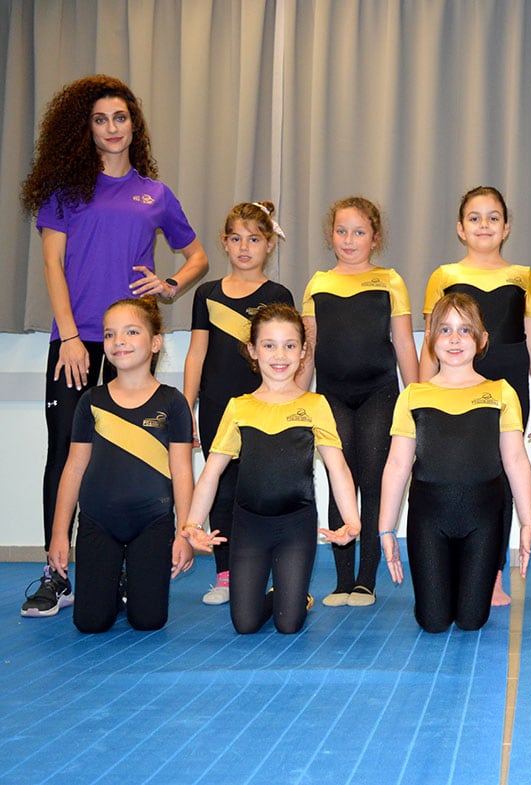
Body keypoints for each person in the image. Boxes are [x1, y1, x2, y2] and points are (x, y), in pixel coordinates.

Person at [19, 74, 209, 617]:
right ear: (86, 129)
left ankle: (124, 569)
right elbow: (52, 265)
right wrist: (70, 338)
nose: (111, 128)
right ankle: (56, 574)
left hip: (130, 343)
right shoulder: (65, 192)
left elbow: (197, 257)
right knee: (66, 453)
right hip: (77, 342)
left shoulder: (155, 194)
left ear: (133, 125)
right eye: (100, 120)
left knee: (130, 454)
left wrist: (169, 285)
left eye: (120, 118)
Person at [184, 303, 361, 634]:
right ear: (253, 350)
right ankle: (277, 595)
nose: (280, 355)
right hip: (249, 525)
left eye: (290, 345)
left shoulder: (314, 404)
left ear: (303, 351)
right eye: (269, 345)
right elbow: (211, 472)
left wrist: (351, 520)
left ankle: (295, 597)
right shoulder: (239, 407)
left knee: (288, 623)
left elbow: (337, 467)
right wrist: (193, 522)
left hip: (296, 525)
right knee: (245, 623)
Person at [373, 293, 531, 633]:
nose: (454, 339)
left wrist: (528, 521)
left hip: (483, 520)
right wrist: (385, 528)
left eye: (465, 330)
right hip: (429, 520)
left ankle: (466, 576)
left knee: (471, 620)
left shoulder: (501, 393)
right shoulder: (414, 396)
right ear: (431, 339)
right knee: (433, 622)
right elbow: (397, 465)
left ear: (482, 340)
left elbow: (516, 460)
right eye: (445, 330)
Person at [420, 186, 531, 606]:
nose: (484, 225)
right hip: (453, 386)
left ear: (506, 227)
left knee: (502, 477)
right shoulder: (443, 276)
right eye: (474, 218)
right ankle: (452, 565)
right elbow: (431, 341)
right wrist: (422, 395)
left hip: (509, 385)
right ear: (460, 228)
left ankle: (492, 572)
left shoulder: (523, 276)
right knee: (455, 472)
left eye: (493, 217)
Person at [46, 298, 197, 632]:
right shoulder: (91, 401)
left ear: (155, 342)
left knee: (149, 620)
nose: (119, 341)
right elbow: (73, 469)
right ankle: (112, 585)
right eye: (110, 334)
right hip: (98, 521)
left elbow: (182, 471)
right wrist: (59, 534)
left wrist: (185, 533)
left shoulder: (173, 403)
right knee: (90, 623)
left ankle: (132, 582)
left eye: (131, 332)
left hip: (152, 523)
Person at [296, 197, 418, 608]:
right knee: (339, 479)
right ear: (330, 235)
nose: (349, 240)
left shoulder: (389, 280)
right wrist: (296, 398)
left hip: (379, 393)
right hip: (331, 396)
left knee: (372, 480)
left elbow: (403, 343)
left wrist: (418, 400)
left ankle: (366, 579)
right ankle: (342, 580)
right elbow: (309, 348)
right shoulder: (318, 284)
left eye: (359, 232)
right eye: (342, 231)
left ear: (375, 238)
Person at [183, 201, 294, 605]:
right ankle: (226, 574)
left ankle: (269, 571)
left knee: (264, 489)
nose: (244, 247)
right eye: (236, 239)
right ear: (224, 243)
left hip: (264, 408)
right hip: (217, 406)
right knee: (223, 489)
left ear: (269, 245)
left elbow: (286, 354)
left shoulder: (277, 295)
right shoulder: (207, 294)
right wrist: (187, 407)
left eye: (254, 239)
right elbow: (197, 354)